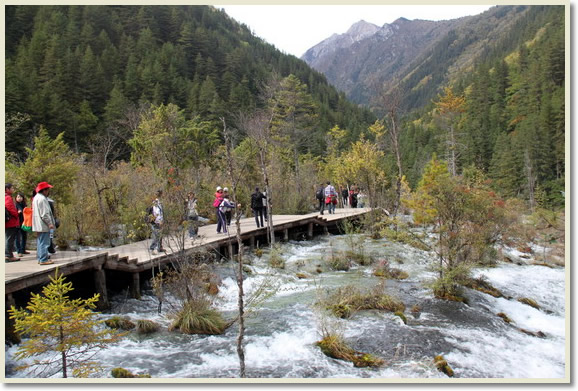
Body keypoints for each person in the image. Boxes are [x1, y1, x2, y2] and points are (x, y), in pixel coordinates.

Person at [32, 182, 56, 265]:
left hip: (38, 224)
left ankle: (40, 258)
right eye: (47, 189)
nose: (48, 191)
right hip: (43, 224)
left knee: (40, 241)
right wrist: (50, 223)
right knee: (45, 242)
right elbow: (44, 214)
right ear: (44, 190)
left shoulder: (36, 197)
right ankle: (43, 259)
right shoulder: (42, 199)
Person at [5, 183, 21, 262]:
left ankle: (7, 254)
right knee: (9, 238)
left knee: (8, 238)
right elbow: (10, 208)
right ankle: (8, 255)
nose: (12, 190)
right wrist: (16, 214)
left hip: (7, 222)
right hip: (10, 222)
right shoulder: (7, 198)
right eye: (11, 188)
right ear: (7, 189)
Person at [149, 190, 165, 255]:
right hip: (157, 221)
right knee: (156, 235)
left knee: (159, 235)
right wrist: (160, 221)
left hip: (158, 220)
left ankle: (159, 248)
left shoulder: (159, 202)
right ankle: (153, 248)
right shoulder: (156, 202)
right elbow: (157, 212)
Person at [15, 192, 30, 257]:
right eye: (18, 197)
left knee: (24, 236)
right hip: (17, 222)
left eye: (20, 197)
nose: (19, 198)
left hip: (24, 222)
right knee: (17, 237)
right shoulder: (15, 204)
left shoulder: (24, 204)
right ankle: (19, 251)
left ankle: (23, 249)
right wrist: (18, 212)